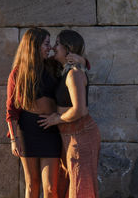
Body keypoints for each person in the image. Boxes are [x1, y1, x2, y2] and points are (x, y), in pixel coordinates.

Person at [5, 28, 86, 198]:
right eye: (46, 44)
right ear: (34, 46)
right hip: (28, 131)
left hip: (51, 130)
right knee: (31, 185)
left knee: (50, 188)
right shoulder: (18, 73)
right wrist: (14, 139)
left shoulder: (52, 65)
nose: (49, 48)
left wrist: (82, 60)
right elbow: (11, 111)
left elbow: (77, 65)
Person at [38, 29, 101, 198]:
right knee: (69, 185)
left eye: (57, 44)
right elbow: (37, 59)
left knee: (81, 186)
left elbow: (79, 110)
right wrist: (84, 60)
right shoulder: (63, 68)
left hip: (81, 135)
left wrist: (56, 119)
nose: (53, 47)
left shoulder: (73, 74)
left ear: (68, 48)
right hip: (69, 136)